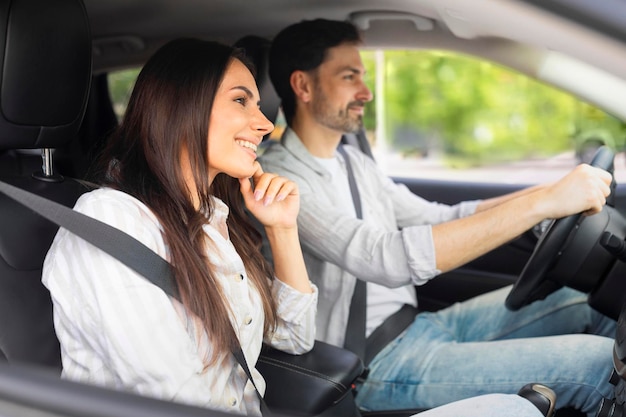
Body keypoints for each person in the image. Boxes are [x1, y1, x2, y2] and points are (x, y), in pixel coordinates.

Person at [259, 18, 617, 416]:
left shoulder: (353, 161)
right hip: (373, 363)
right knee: (601, 365)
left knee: (588, 302)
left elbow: (439, 216)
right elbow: (382, 257)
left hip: (419, 326)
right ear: (303, 86)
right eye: (349, 77)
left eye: (363, 76)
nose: (366, 92)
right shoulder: (280, 180)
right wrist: (543, 204)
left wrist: (551, 192)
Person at [41, 38, 318, 416]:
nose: (266, 124)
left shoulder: (214, 221)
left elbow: (294, 337)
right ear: (182, 105)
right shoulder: (111, 221)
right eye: (241, 101)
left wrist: (283, 229)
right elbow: (174, 400)